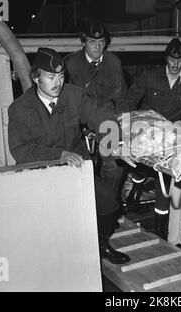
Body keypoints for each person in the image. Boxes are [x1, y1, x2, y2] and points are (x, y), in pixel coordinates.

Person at [8, 47, 131, 265]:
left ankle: (100, 244)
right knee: (52, 221)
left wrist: (114, 140)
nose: (58, 82)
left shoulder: (74, 95)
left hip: (76, 166)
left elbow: (99, 115)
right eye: (51, 77)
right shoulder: (20, 109)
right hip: (42, 171)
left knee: (108, 200)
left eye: (61, 76)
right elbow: (21, 150)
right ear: (36, 78)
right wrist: (59, 155)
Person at [126, 37, 181, 239]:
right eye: (172, 61)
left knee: (163, 180)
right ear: (166, 59)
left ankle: (159, 230)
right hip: (145, 130)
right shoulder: (149, 76)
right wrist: (128, 124)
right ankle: (136, 187)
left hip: (168, 136)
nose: (175, 65)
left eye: (180, 61)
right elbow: (130, 98)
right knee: (138, 165)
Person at [64, 20, 128, 227]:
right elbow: (66, 101)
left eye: (101, 42)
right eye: (93, 42)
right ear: (83, 42)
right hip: (81, 123)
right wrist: (78, 129)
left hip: (108, 121)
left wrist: (124, 127)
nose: (98, 46)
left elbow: (122, 98)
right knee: (84, 167)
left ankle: (106, 212)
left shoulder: (113, 62)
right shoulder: (71, 64)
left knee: (114, 166)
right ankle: (85, 215)